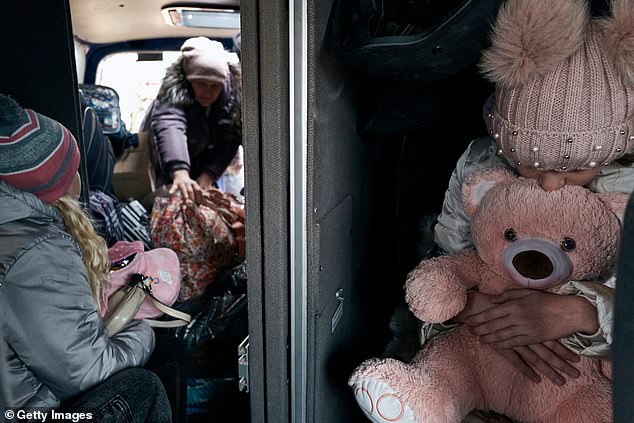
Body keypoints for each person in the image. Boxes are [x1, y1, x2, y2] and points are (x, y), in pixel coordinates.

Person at [418, 0, 634, 421]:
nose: (551, 182)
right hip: (482, 367)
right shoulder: (481, 165)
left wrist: (583, 314)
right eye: (531, 162)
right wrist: (471, 308)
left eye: (574, 167)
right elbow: (440, 265)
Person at [0, 94, 171, 422]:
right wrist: (142, 326)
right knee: (142, 388)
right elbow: (87, 371)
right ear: (60, 183)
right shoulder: (38, 250)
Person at [141, 36, 242, 204]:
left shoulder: (232, 97)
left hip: (203, 162)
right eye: (201, 83)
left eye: (214, 85)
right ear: (189, 79)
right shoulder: (173, 91)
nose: (208, 92)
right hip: (166, 162)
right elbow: (170, 124)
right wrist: (179, 171)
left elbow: (230, 139)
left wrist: (208, 175)